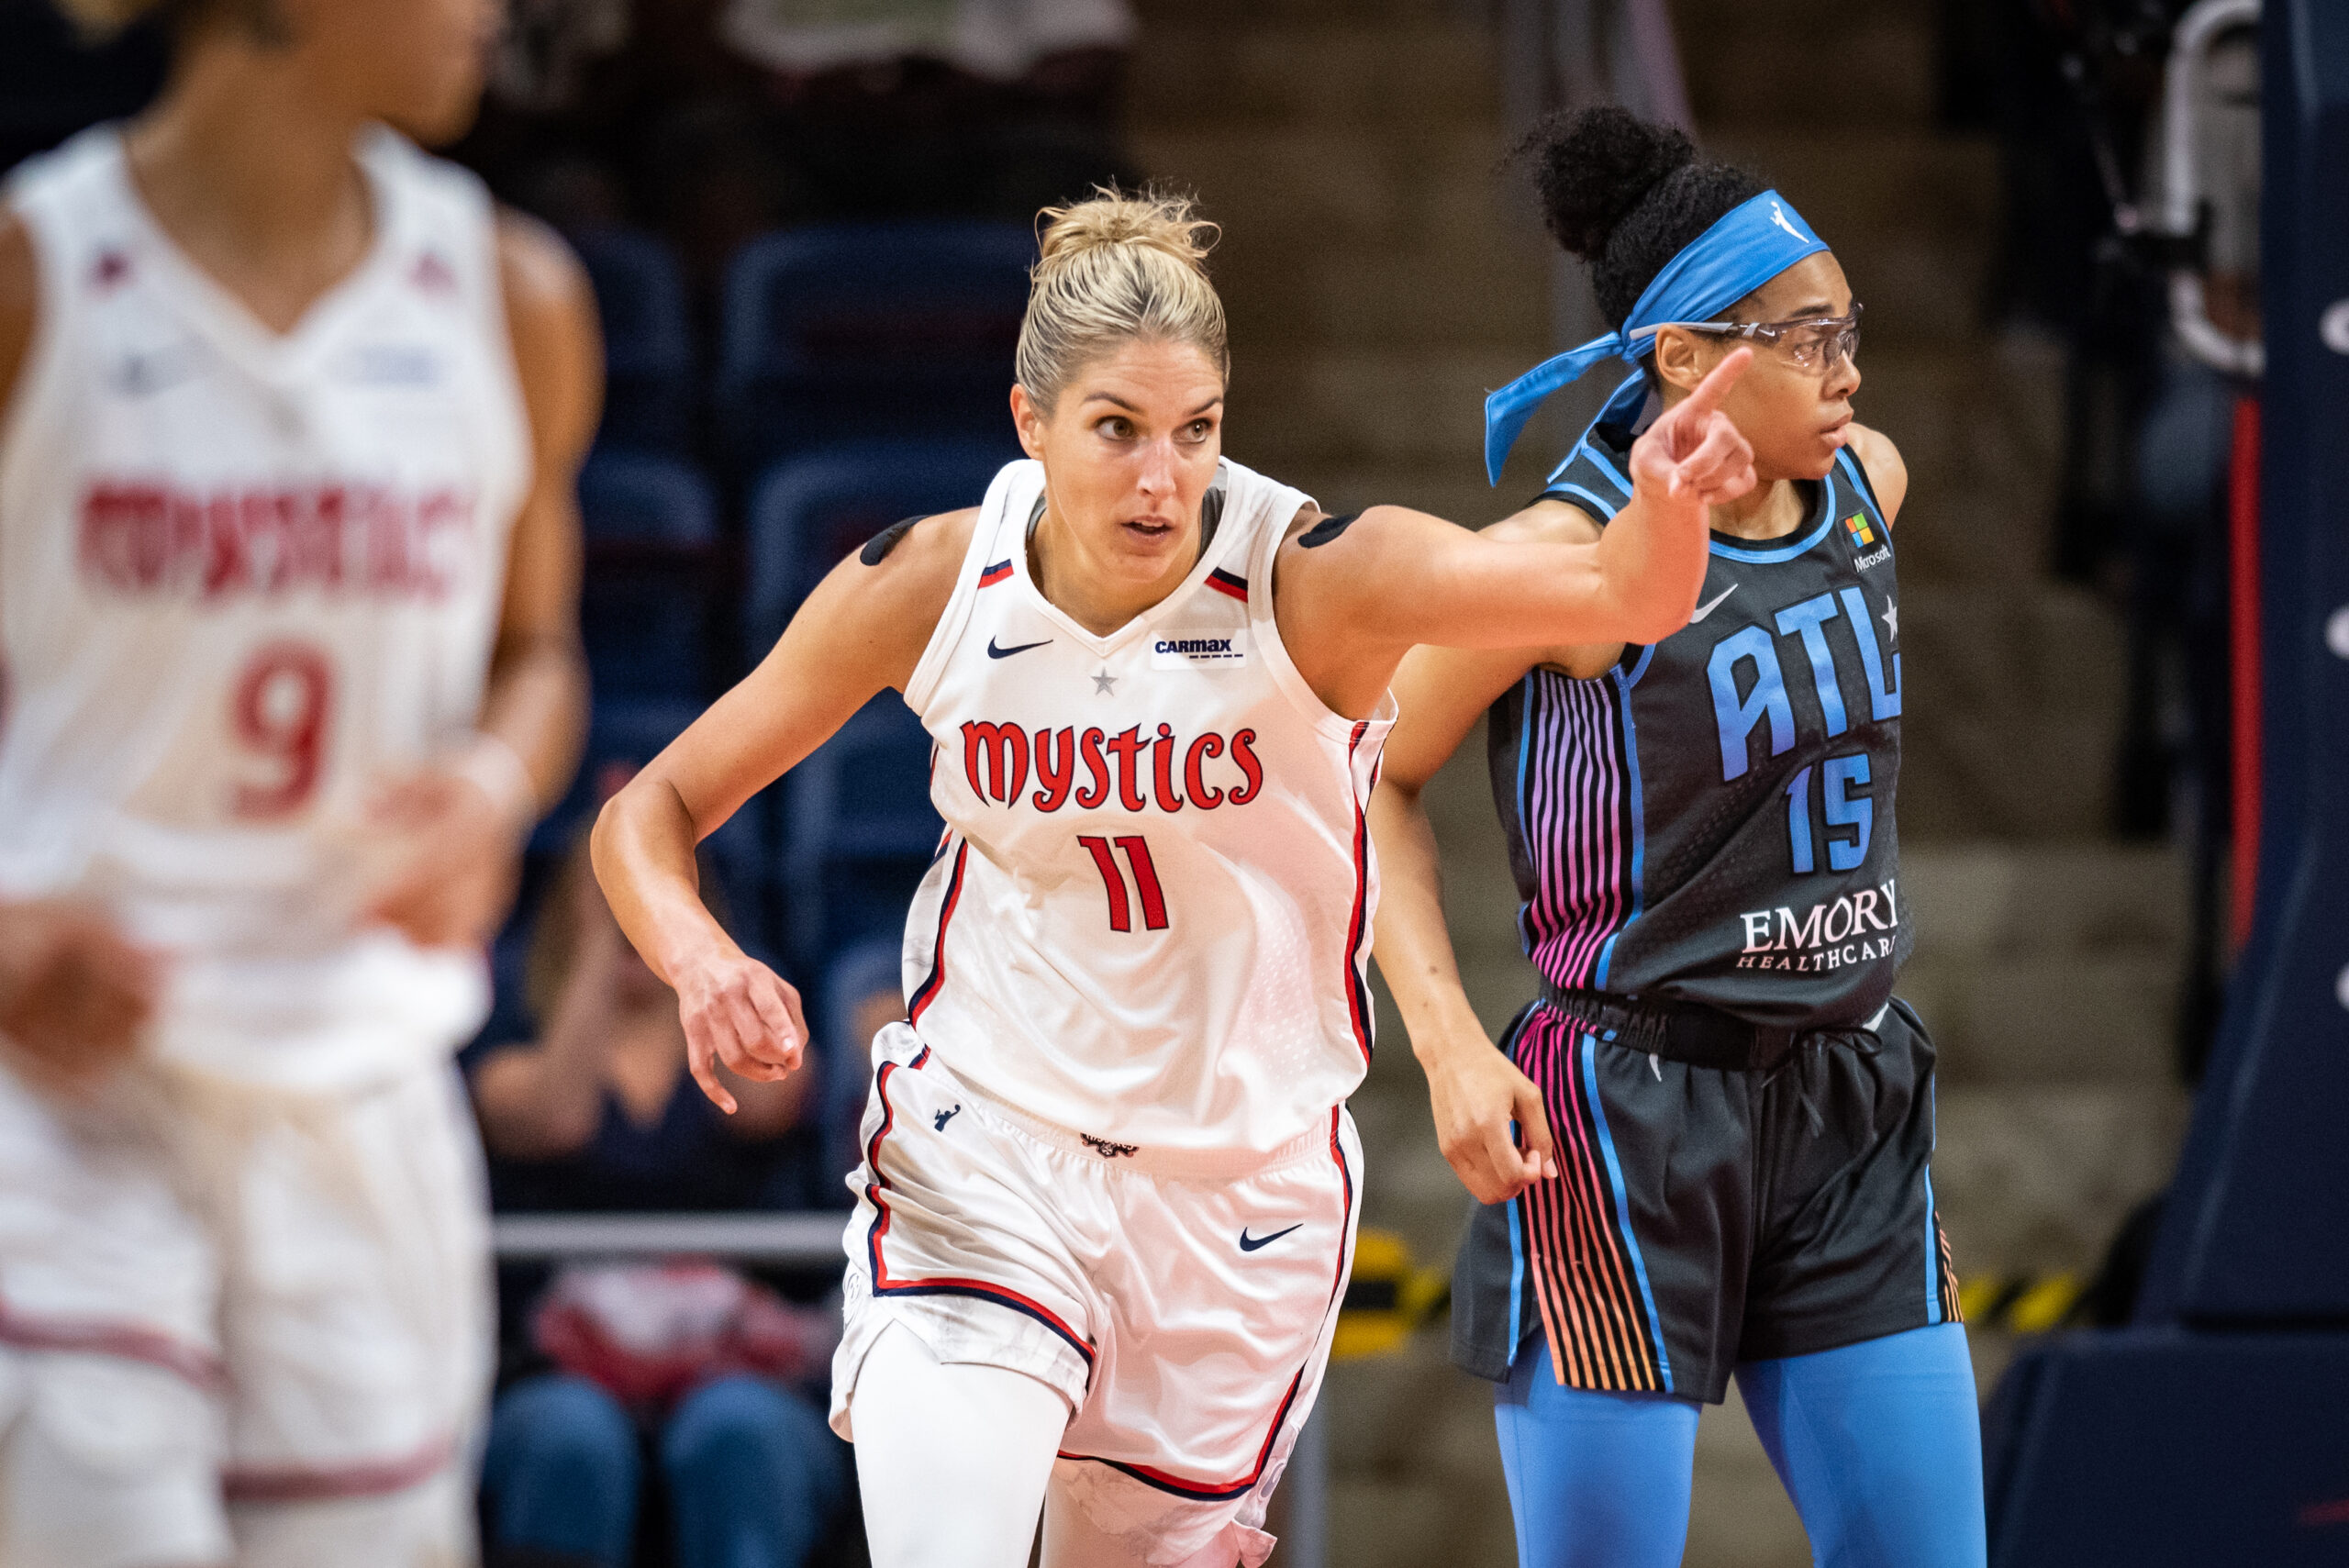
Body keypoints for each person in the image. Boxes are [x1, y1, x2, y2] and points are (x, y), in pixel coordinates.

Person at [591, 184, 1753, 1568]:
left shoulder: (1316, 579)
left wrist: (1668, 507)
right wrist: (697, 952)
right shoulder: (930, 582)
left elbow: (1626, 601)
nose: (1163, 479)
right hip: (990, 1141)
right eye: (1119, 431)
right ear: (1030, 423)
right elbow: (651, 805)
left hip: (1238, 1194)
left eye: (1195, 431)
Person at [0, 0, 596, 1562]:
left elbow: (540, 656)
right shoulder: (31, 271)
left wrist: (485, 786)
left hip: (360, 1079)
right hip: (62, 1087)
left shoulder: (511, 296)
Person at [1369, 107, 1986, 1568]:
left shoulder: (1869, 487)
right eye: (1809, 335)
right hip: (1625, 1110)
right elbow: (1366, 777)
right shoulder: (1550, 562)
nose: (1850, 370)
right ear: (1686, 357)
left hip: (1848, 1094)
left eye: (1851, 328)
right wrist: (1452, 1044)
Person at [470, 831, 847, 1568]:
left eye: (645, 892)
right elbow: (558, 1115)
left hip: (740, 1361)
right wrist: (595, 948)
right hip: (557, 1369)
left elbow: (769, 1100)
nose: (628, 913)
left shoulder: (752, 1022)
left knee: (738, 1433)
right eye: (612, 892)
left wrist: (692, 951)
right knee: (566, 1437)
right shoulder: (511, 1035)